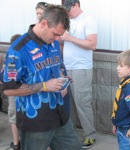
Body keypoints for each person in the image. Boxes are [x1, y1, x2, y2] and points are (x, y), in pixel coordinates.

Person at [2, 4, 82, 150]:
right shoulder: (18, 50)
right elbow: (8, 89)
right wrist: (44, 86)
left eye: (60, 35)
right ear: (43, 23)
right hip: (35, 123)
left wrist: (64, 78)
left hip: (60, 115)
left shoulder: (54, 43)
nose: (58, 39)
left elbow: (58, 68)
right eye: (55, 34)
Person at [61, 0, 97, 149]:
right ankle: (72, 134)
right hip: (66, 67)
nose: (67, 13)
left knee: (82, 103)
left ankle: (90, 135)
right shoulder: (67, 20)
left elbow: (92, 44)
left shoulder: (88, 20)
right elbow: (63, 43)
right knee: (68, 103)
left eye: (68, 10)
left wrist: (70, 38)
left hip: (81, 68)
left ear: (76, 5)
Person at [8, 34, 21, 150]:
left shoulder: (11, 58)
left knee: (14, 118)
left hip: (14, 91)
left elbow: (10, 79)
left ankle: (16, 143)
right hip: (24, 91)